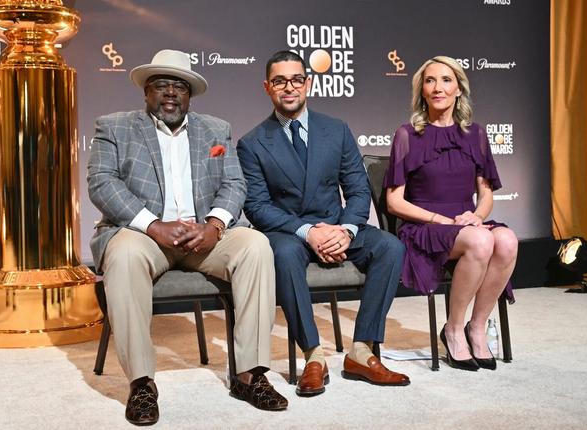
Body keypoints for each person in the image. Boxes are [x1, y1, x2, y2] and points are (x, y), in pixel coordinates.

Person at [87, 49, 287, 426]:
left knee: (256, 246)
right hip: (143, 234)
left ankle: (249, 374)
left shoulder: (216, 129)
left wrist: (214, 226)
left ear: (190, 95)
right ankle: (142, 382)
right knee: (125, 255)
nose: (170, 93)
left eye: (179, 86)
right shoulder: (114, 127)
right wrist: (153, 225)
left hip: (202, 236)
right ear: (146, 92)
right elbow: (102, 183)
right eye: (161, 85)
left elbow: (234, 183)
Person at [238, 50, 410, 397]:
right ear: (267, 87)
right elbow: (256, 206)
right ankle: (313, 355)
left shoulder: (337, 130)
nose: (289, 88)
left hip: (337, 227)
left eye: (297, 79)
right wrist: (308, 231)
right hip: (289, 232)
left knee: (390, 246)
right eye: (280, 81)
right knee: (284, 256)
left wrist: (346, 230)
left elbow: (359, 191)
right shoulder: (252, 143)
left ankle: (362, 350)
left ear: (309, 83)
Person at [384, 56, 517, 371]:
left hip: (465, 222)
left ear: (459, 89)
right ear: (422, 91)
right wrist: (438, 220)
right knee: (481, 242)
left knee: (508, 240)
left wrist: (477, 216)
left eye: (446, 80)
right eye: (430, 81)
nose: (437, 87)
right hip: (424, 226)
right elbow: (394, 202)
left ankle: (477, 326)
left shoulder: (476, 135)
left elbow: (485, 193)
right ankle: (454, 330)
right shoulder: (407, 134)